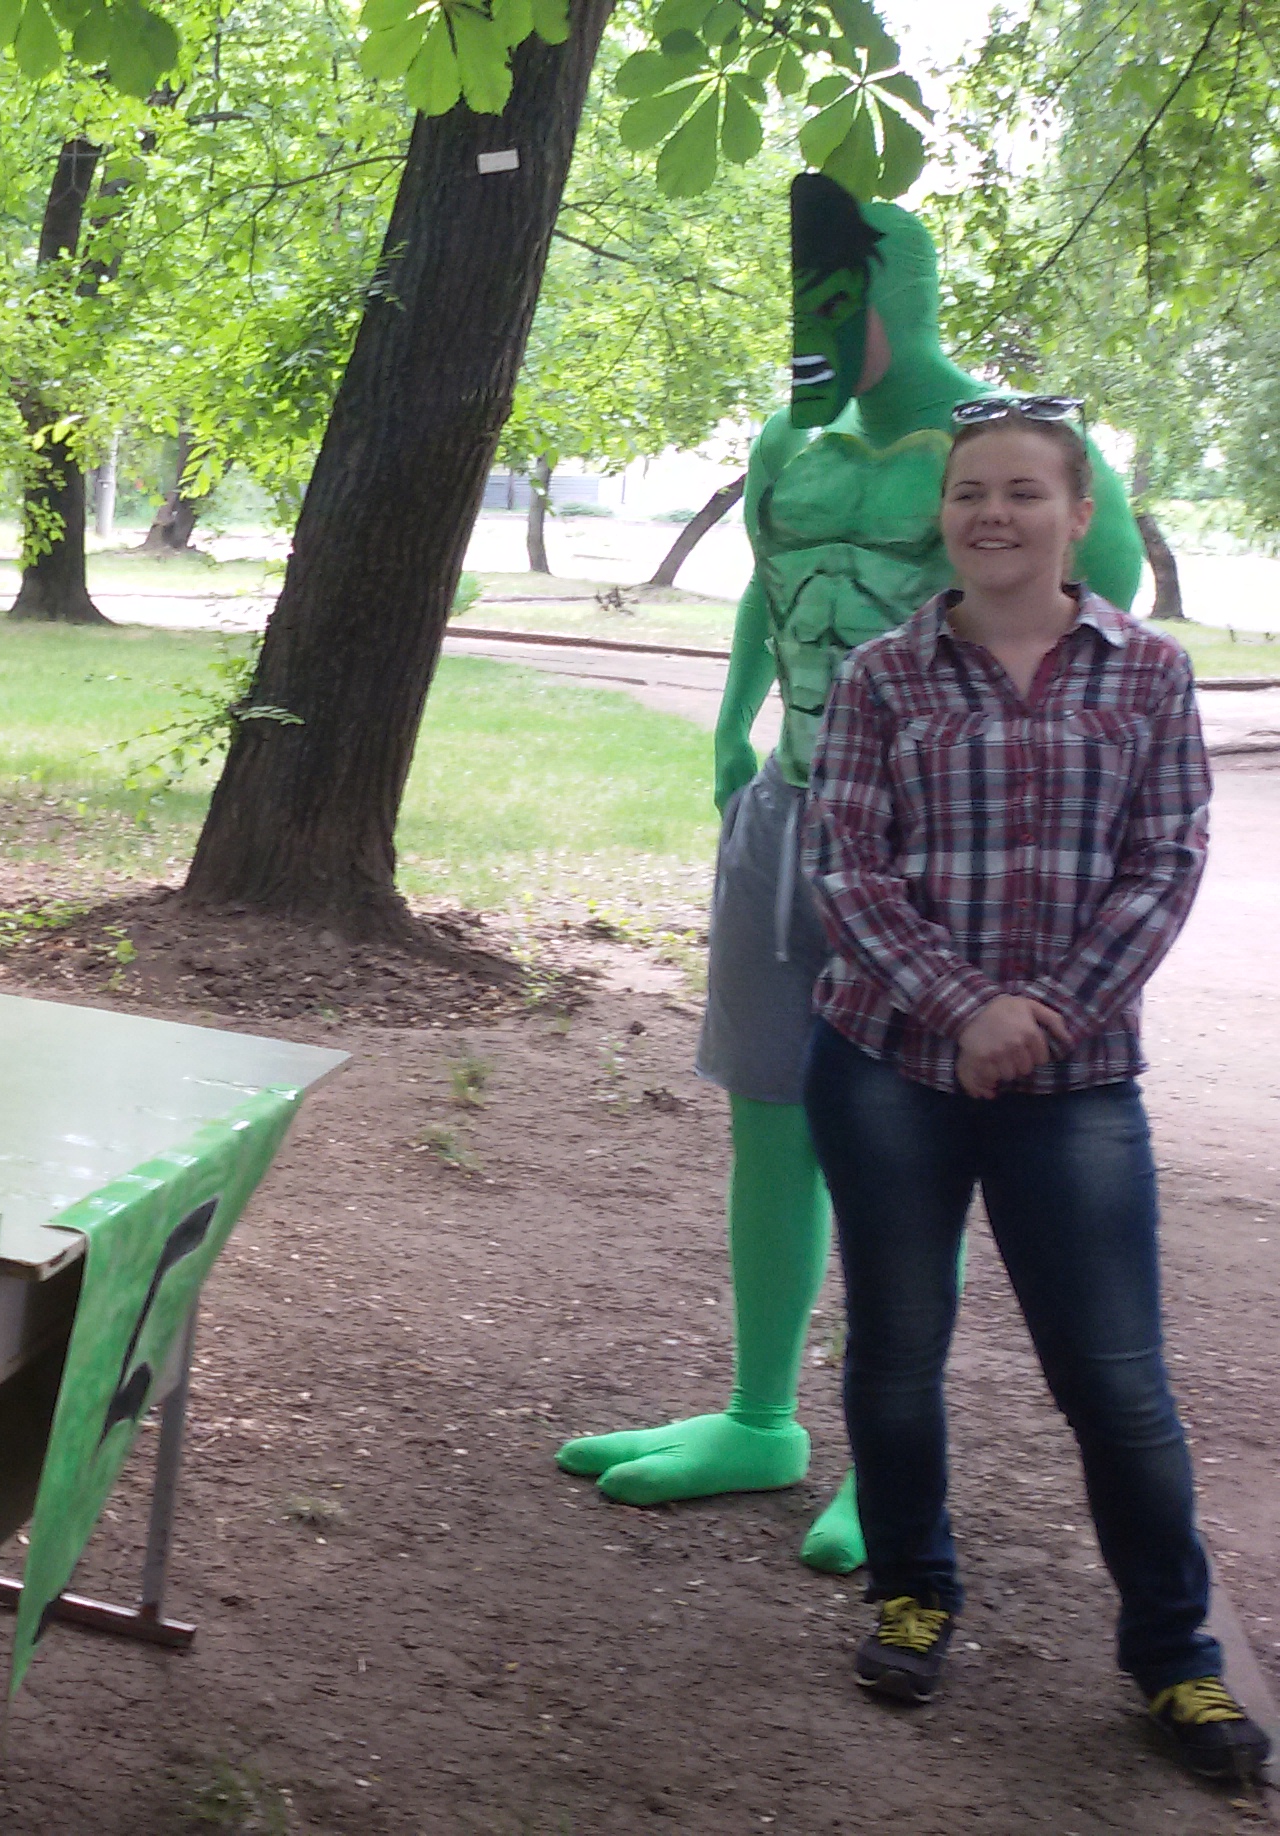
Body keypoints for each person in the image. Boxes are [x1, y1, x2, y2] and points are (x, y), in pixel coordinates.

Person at [555, 174, 1146, 1573]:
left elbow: (1107, 611)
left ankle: (893, 1463)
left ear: (895, 287)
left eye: (838, 292)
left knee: (908, 1139)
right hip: (789, 812)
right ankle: (761, 1419)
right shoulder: (791, 440)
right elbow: (775, 584)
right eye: (801, 292)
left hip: (938, 849)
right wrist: (732, 721)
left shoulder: (1014, 451)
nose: (814, 321)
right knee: (771, 1116)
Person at [801, 401, 1267, 1787]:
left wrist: (1042, 1017)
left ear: (1078, 515)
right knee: (898, 1351)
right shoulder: (883, 675)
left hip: (1078, 1084)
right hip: (886, 1065)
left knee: (1119, 1384)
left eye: (1022, 492)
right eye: (969, 493)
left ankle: (1175, 1657)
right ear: (942, 514)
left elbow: (1167, 863)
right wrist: (966, 1008)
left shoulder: (1151, 673)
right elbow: (846, 868)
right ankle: (914, 1593)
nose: (991, 514)